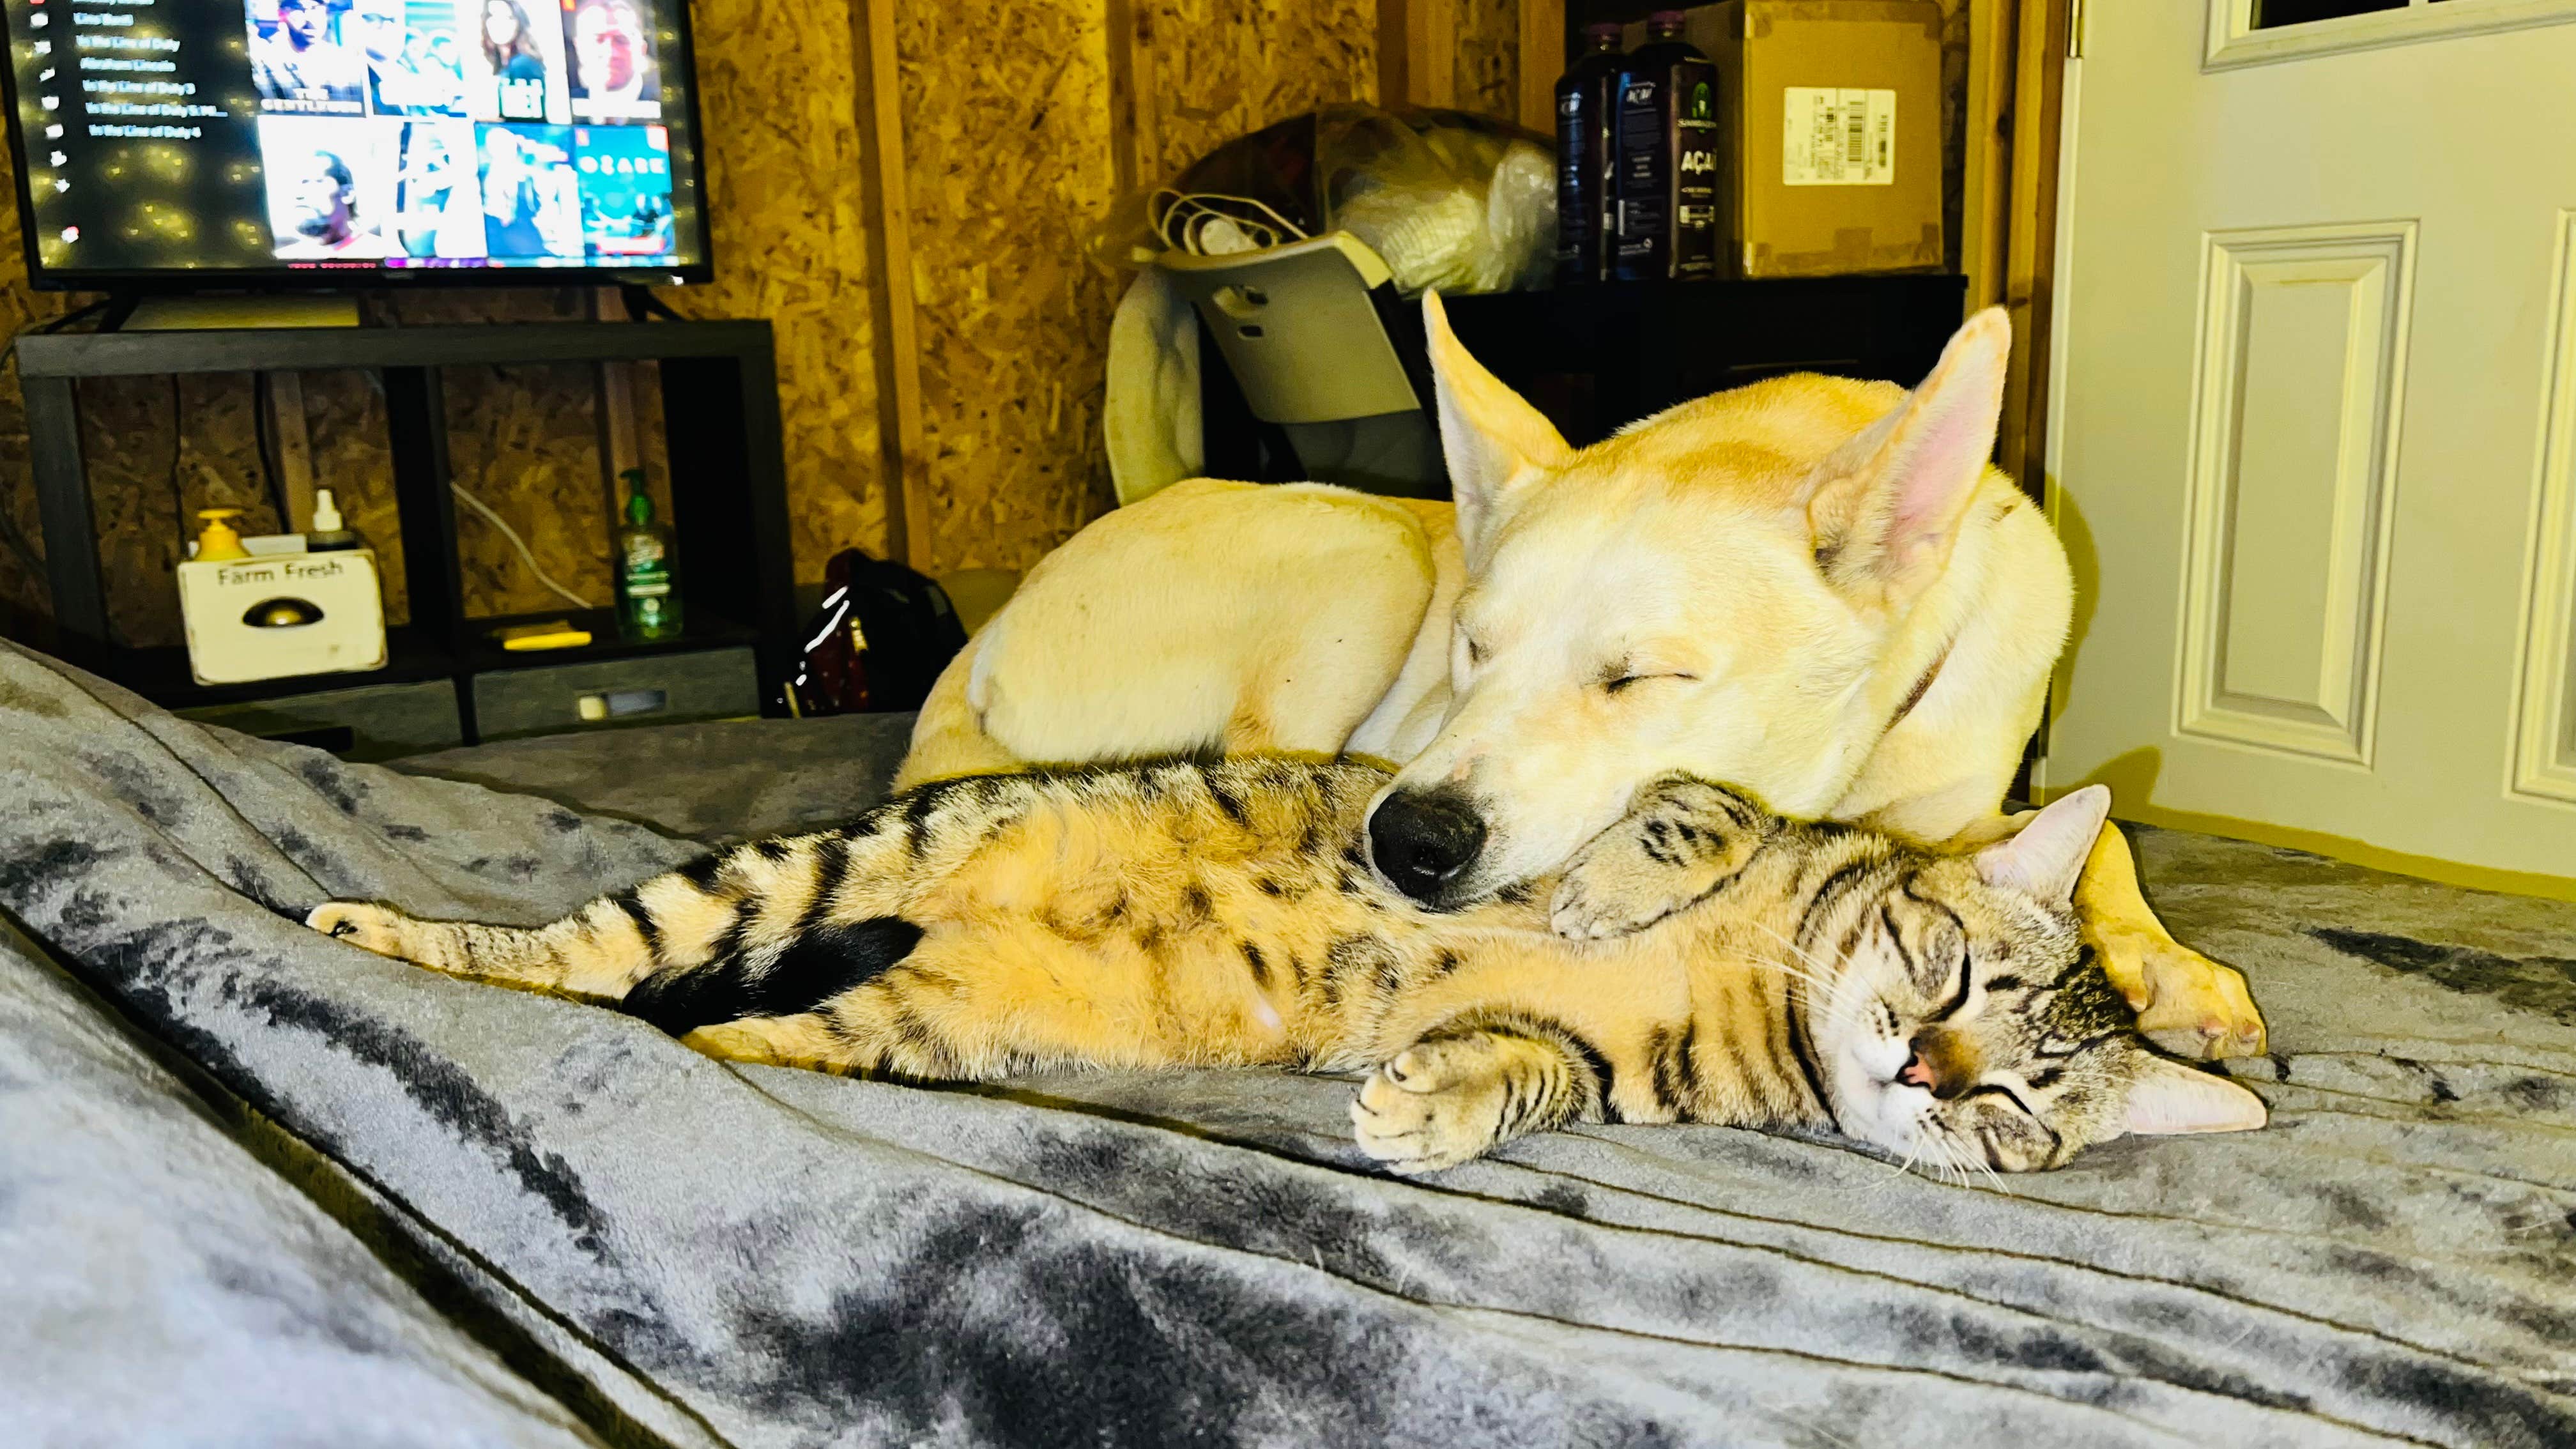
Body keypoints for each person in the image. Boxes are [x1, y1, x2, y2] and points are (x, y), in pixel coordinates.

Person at [273, 148, 389, 258]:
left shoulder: (381, 253)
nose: (300, 194)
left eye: (315, 182)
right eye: (302, 183)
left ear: (347, 193)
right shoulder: (285, 257)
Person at [252, 0, 365, 106]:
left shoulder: (346, 63)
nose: (309, 18)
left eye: (316, 8)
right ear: (282, 14)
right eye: (299, 9)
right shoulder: (266, 63)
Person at [569, 0, 657, 112]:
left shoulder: (658, 100)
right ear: (578, 47)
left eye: (621, 40)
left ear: (642, 48)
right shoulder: (562, 101)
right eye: (598, 39)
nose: (610, 52)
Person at [481, 0, 551, 121]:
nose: (499, 23)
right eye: (493, 16)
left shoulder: (524, 64)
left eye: (508, 17)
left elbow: (522, 123)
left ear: (519, 23)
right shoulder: (502, 63)